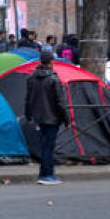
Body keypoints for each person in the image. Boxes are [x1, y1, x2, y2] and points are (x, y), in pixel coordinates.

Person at [25, 50, 70, 186]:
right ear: (51, 62)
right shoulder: (53, 79)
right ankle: (46, 174)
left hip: (38, 117)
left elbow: (28, 99)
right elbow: (60, 102)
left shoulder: (32, 78)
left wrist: (28, 115)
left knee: (44, 146)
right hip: (52, 117)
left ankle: (45, 173)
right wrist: (67, 119)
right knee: (49, 147)